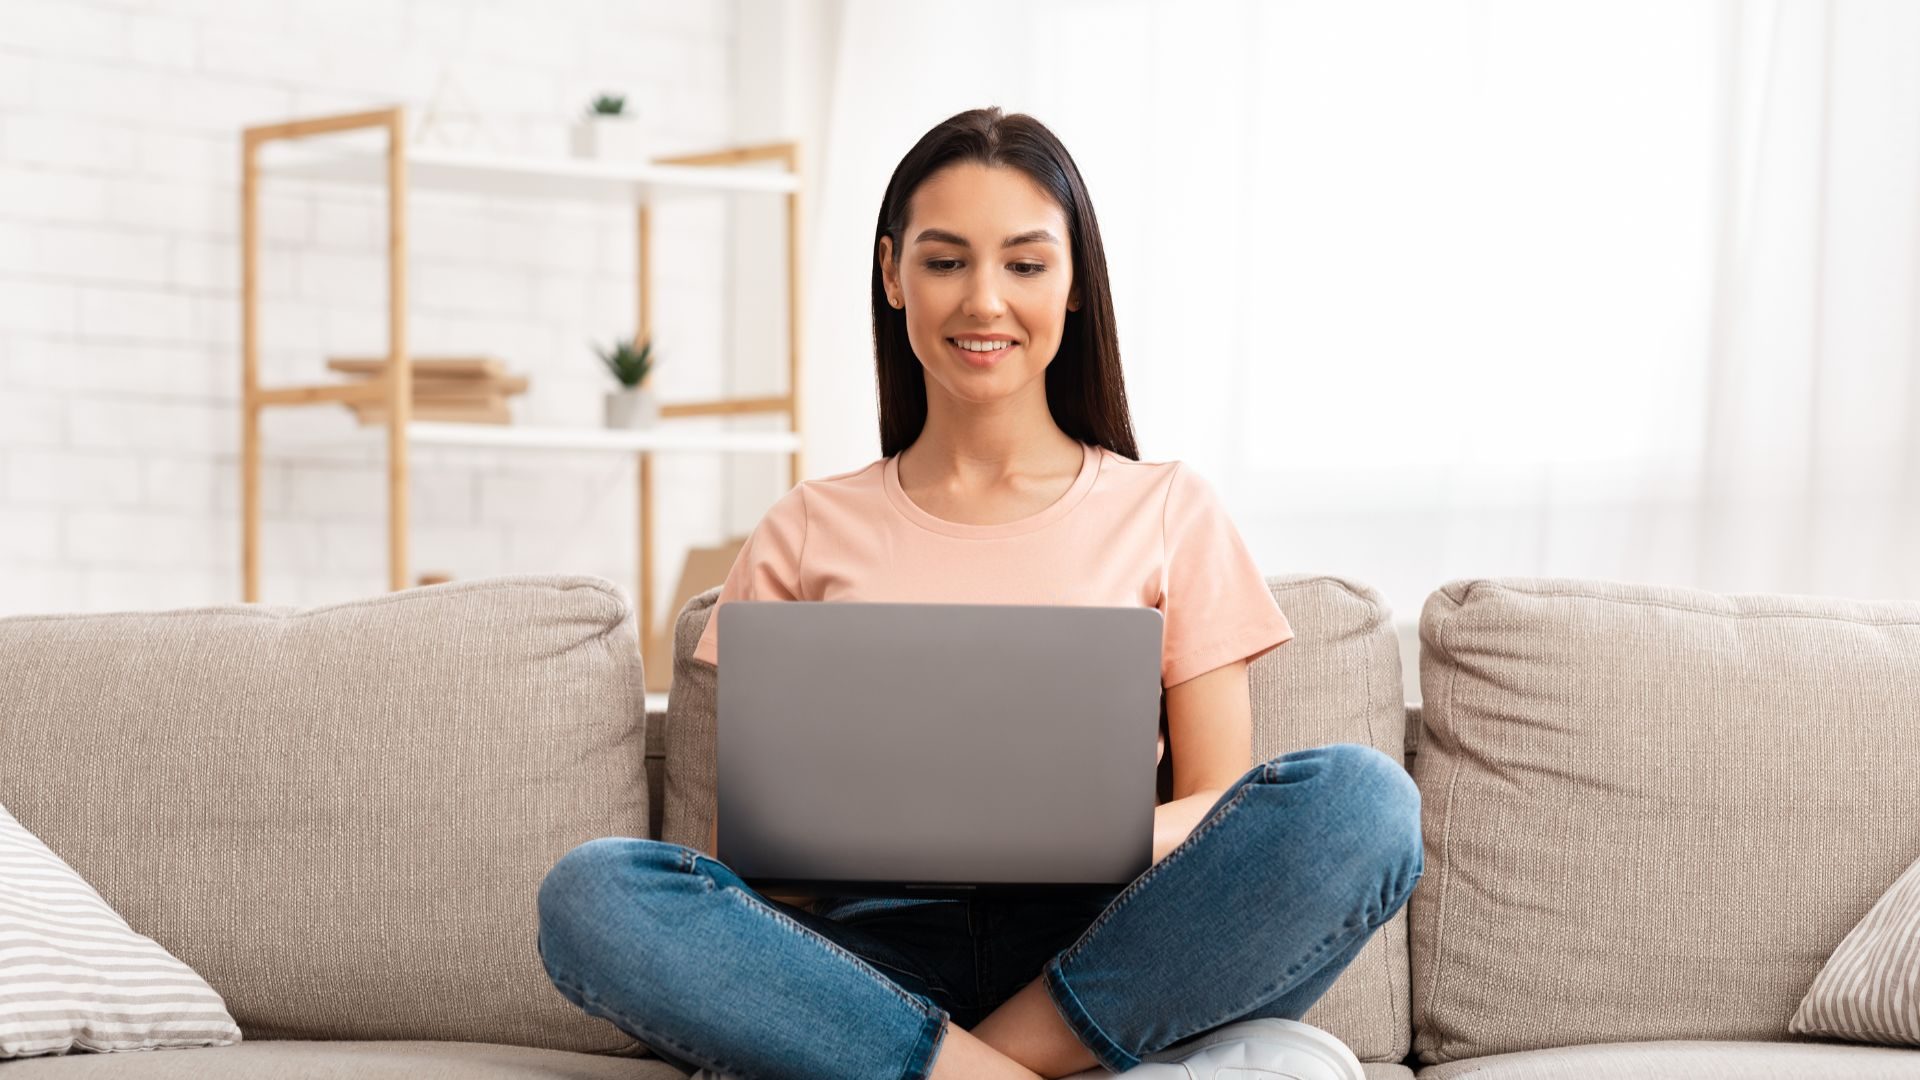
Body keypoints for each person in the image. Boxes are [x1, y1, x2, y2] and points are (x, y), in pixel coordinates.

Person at [536, 106, 1422, 1080]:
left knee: (1361, 802)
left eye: (1027, 264)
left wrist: (1082, 834)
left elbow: (1221, 805)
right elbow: (747, 877)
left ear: (1076, 283)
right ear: (892, 276)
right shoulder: (802, 529)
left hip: (1108, 948)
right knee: (592, 892)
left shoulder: (1170, 509)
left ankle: (962, 1066)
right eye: (946, 260)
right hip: (866, 963)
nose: (984, 301)